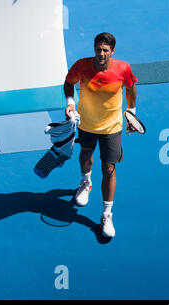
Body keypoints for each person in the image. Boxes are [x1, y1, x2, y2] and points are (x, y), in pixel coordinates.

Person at [64, 32, 138, 238]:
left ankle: (106, 214)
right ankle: (86, 182)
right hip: (86, 122)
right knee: (86, 153)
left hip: (111, 127)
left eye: (106, 50)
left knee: (109, 168)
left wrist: (131, 112)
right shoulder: (82, 66)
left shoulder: (123, 69)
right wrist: (70, 103)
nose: (102, 54)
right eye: (99, 49)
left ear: (112, 51)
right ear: (94, 49)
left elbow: (131, 88)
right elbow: (68, 82)